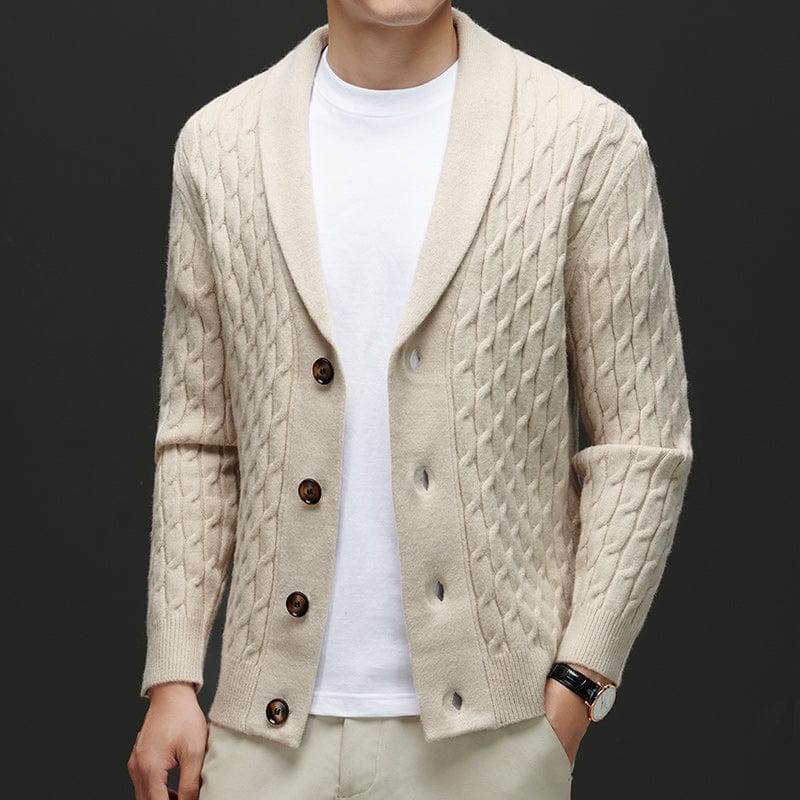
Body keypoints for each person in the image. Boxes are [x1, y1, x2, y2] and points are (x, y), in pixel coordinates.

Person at [127, 2, 694, 798]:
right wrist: (174, 675)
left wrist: (578, 684)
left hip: (495, 742)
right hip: (261, 739)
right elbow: (199, 436)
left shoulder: (584, 140)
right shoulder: (220, 146)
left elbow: (643, 442)